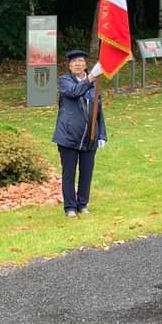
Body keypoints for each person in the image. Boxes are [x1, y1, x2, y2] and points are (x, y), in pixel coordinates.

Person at [52, 50, 106, 218]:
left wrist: (102, 134)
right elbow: (75, 92)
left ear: (85, 64)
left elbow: (98, 110)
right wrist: (91, 77)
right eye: (74, 62)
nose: (77, 64)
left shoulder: (95, 84)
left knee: (86, 173)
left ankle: (82, 204)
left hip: (90, 136)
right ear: (69, 66)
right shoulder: (64, 81)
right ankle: (70, 207)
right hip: (68, 136)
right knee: (69, 173)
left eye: (81, 61)